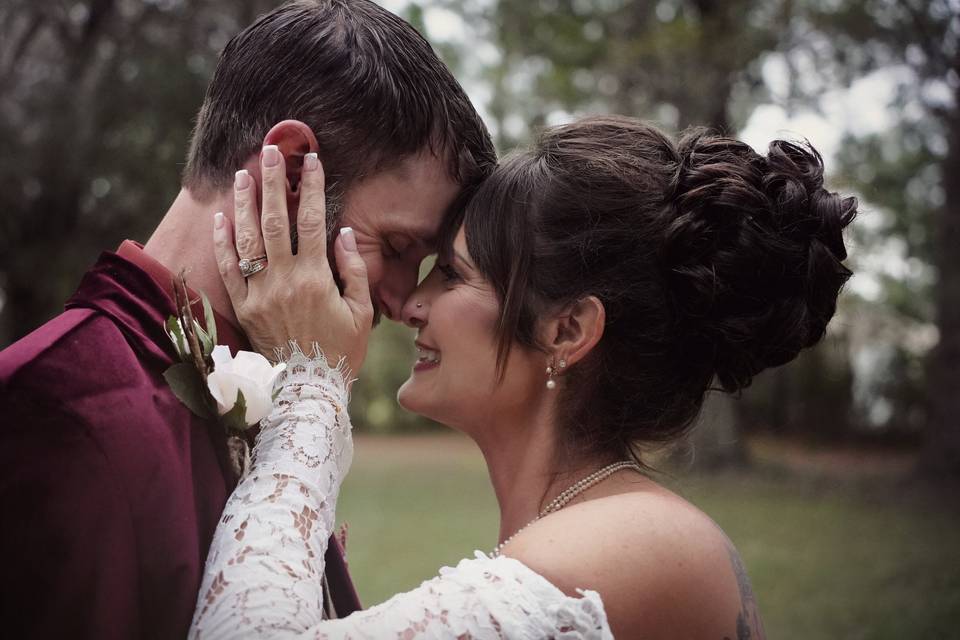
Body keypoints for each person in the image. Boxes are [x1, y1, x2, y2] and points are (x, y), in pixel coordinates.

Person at [189, 115, 857, 638]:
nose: (412, 303)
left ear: (567, 331)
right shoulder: (614, 531)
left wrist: (311, 380)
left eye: (452, 274)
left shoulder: (625, 547)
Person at [0, 0, 495, 636]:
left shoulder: (280, 402)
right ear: (290, 170)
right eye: (397, 249)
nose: (400, 301)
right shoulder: (51, 409)